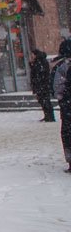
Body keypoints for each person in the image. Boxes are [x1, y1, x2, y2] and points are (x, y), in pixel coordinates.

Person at [52, 38, 71, 173]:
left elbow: (58, 86)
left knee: (68, 133)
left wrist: (62, 99)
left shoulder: (63, 66)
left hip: (68, 106)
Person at [30, 49, 55, 122]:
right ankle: (47, 115)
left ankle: (49, 116)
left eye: (32, 54)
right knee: (43, 101)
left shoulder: (40, 62)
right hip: (41, 85)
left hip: (42, 85)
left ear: (35, 54)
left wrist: (38, 83)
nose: (31, 56)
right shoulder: (38, 62)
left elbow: (39, 74)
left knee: (45, 101)